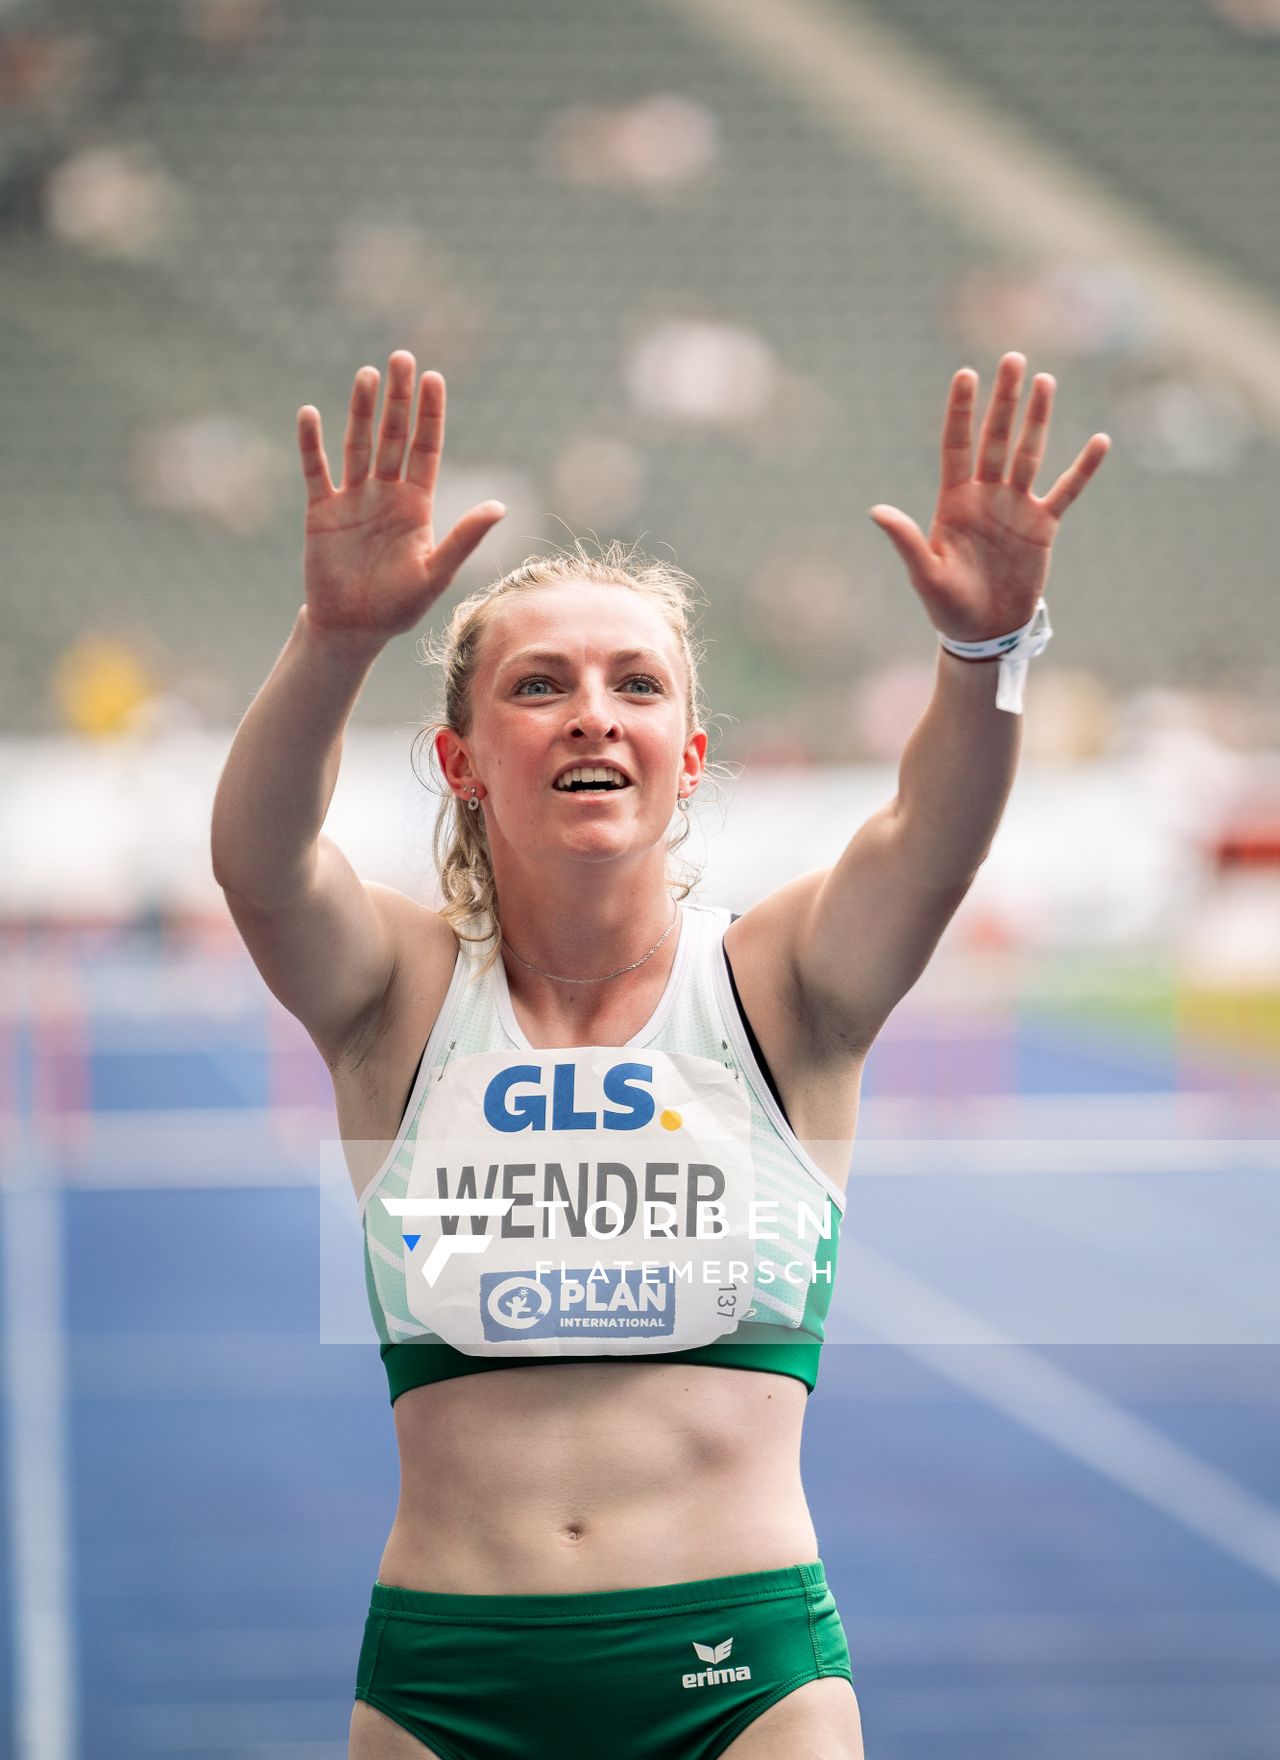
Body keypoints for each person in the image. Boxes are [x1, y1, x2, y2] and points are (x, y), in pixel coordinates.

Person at [210, 349, 1109, 1759]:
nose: (593, 711)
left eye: (638, 684)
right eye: (539, 685)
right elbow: (261, 866)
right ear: (460, 760)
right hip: (451, 1682)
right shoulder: (397, 998)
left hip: (745, 1680)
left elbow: (934, 835)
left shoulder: (786, 987)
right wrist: (333, 642)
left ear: (688, 753)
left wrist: (987, 652)